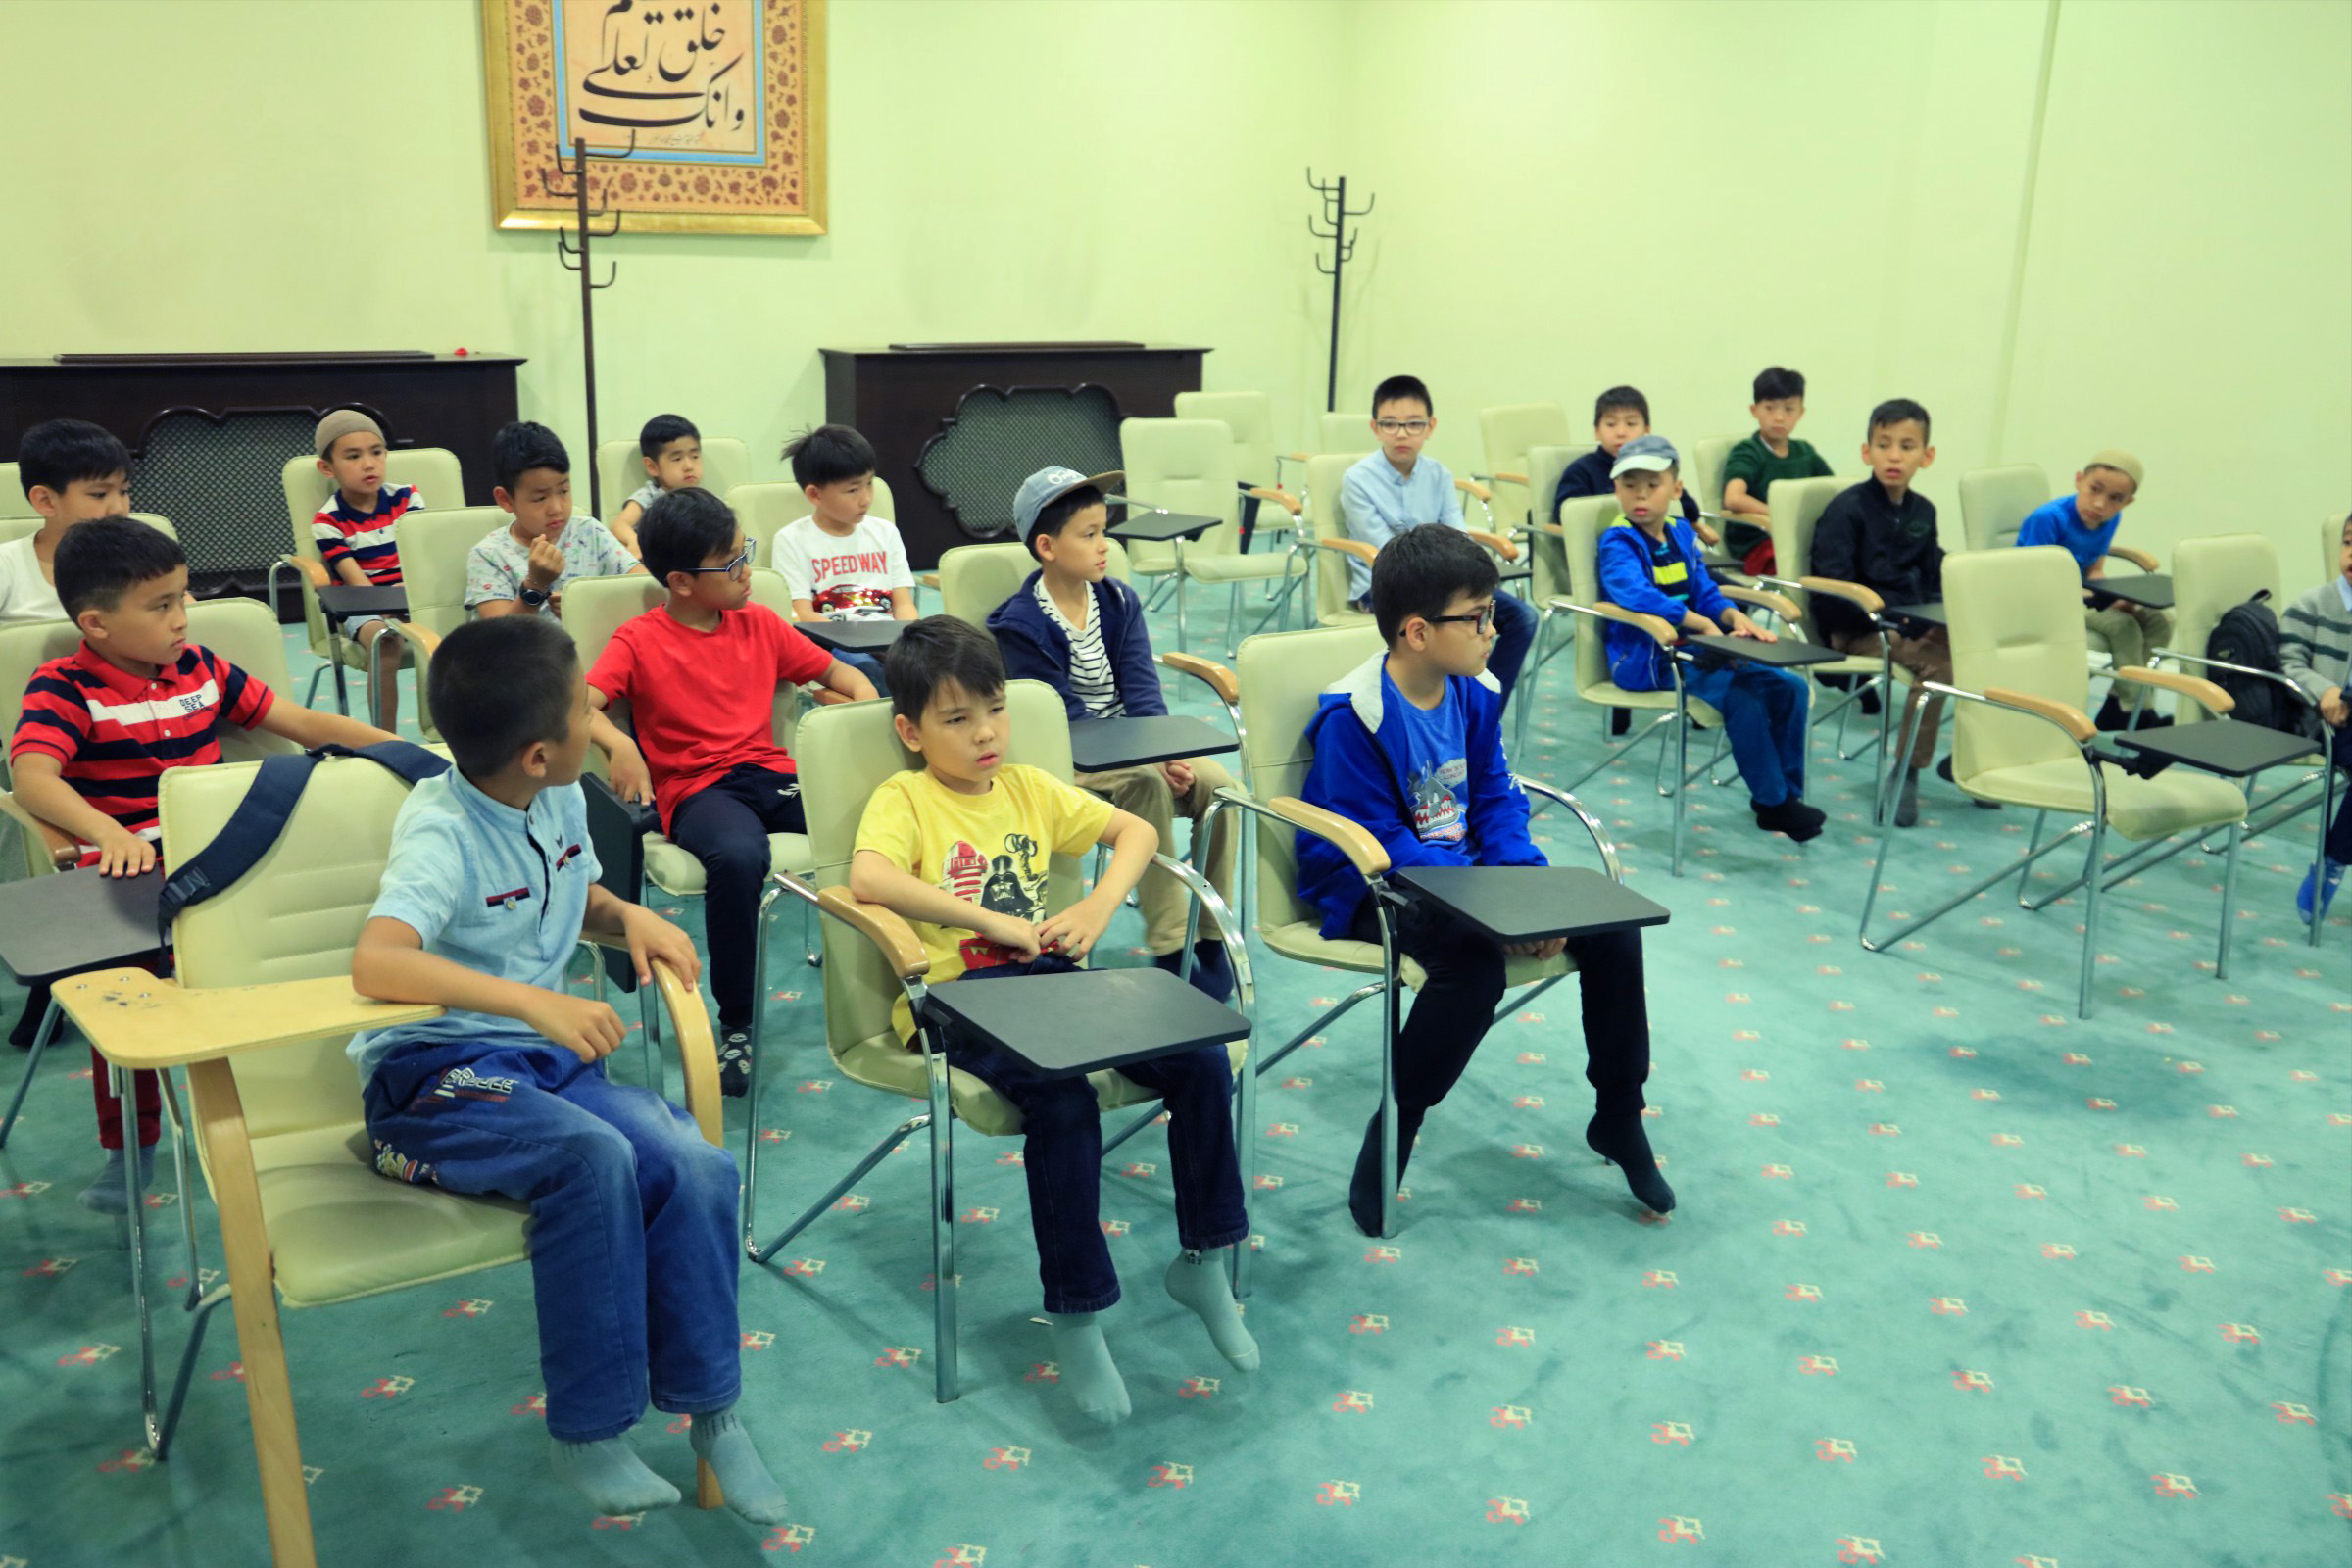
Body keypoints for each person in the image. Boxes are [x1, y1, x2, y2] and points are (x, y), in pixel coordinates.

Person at [348, 613, 786, 1525]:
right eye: (587, 711)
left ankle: (714, 1412)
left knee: (695, 1161)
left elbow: (569, 896)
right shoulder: (440, 827)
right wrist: (533, 1003)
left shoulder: (558, 798)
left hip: (540, 1067)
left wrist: (629, 917)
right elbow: (378, 961)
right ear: (539, 754)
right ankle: (588, 1431)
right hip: (433, 1079)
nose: (601, 720)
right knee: (594, 1161)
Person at [850, 616, 1256, 1427]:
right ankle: (1077, 1312)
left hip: (1046, 983)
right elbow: (868, 877)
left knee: (1199, 1057)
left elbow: (1137, 829)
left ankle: (1204, 1259)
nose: (985, 733)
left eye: (994, 710)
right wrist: (986, 921)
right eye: (958, 719)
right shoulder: (906, 797)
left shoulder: (1029, 786)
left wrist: (1101, 905)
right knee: (1063, 1099)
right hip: (956, 998)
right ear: (911, 732)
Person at [1294, 523, 1673, 1235]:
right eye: (1475, 618)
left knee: (1613, 927)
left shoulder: (1473, 690)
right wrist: (1496, 913)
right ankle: (1397, 1125)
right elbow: (1385, 844)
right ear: (1416, 632)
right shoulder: (1355, 717)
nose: (1493, 631)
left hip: (1468, 879)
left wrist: (1523, 889)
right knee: (1471, 969)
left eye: (1491, 612)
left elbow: (1497, 797)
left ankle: (1619, 1115)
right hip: (1374, 885)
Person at [9, 518, 396, 1211]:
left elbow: (304, 724)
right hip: (129, 879)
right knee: (124, 998)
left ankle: (328, 1105)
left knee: (337, 941)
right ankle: (131, 1145)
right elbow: (33, 777)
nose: (182, 618)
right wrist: (106, 832)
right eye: (161, 606)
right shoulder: (63, 687)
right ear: (95, 624)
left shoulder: (200, 668)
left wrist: (400, 750)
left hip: (225, 862)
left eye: (183, 597)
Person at [587, 487, 874, 1095]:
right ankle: (736, 1022)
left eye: (746, 553)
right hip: (698, 790)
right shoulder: (638, 640)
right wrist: (620, 744)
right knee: (740, 856)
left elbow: (842, 673)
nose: (747, 571)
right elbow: (576, 704)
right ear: (681, 582)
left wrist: (860, 706)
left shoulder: (760, 623)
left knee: (872, 819)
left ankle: (903, 983)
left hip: (768, 774)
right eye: (732, 563)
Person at [987, 466, 1238, 1000]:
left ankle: (1211, 933)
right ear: (1047, 547)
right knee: (1144, 787)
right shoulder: (1019, 625)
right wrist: (1149, 763)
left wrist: (1167, 752)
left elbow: (1143, 687)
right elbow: (1064, 719)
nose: (1105, 545)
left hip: (1135, 745)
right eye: (1089, 534)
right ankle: (1170, 943)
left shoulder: (1119, 601)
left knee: (1221, 785)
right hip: (1071, 757)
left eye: (1104, 530)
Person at [1595, 437, 1823, 841]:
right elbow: (1634, 594)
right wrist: (1700, 624)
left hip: (1700, 650)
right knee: (1743, 698)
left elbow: (1704, 589)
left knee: (1791, 687)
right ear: (1617, 489)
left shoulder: (1681, 533)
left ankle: (1786, 796)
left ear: (1676, 489)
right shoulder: (1619, 540)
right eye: (1629, 485)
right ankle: (1774, 802)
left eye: (1653, 484)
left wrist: (1734, 617)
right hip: (1652, 657)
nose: (1640, 495)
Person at [1807, 398, 1975, 828]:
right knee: (1942, 668)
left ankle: (1971, 760)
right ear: (1867, 452)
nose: (1894, 456)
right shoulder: (1846, 511)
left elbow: (1933, 576)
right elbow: (1834, 592)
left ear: (1926, 456)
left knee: (1985, 649)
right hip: (1857, 627)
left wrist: (1939, 615)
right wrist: (1902, 620)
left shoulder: (1923, 511)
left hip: (1912, 623)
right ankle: (1907, 771)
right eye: (1884, 445)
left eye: (1906, 446)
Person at [1339, 374, 1539, 703]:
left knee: (1522, 617)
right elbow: (1386, 553)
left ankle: (1485, 708)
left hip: (1448, 583)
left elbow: (1458, 535)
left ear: (1430, 427)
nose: (1402, 433)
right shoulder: (1357, 479)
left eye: (1414, 424)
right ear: (1375, 428)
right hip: (1386, 586)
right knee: (1450, 630)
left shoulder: (1439, 475)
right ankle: (1448, 705)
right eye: (1390, 424)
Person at [2015, 450, 2172, 729]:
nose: (2100, 503)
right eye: (2095, 489)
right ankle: (2136, 711)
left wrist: (2112, 598)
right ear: (2079, 481)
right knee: (2123, 626)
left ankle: (2117, 703)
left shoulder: (2109, 520)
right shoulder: (2049, 518)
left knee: (2161, 621)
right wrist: (2100, 601)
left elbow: (2095, 570)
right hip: (2044, 600)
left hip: (2083, 596)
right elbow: (2034, 579)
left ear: (2127, 502)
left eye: (2115, 498)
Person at [772, 423, 914, 695]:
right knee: (876, 676)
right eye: (853, 490)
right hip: (835, 646)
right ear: (815, 494)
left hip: (890, 643)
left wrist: (910, 641)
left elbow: (904, 604)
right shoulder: (791, 540)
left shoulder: (885, 533)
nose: (866, 499)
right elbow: (804, 615)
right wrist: (858, 640)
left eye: (869, 483)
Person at [309, 409, 423, 731]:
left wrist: (414, 597)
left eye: (376, 452)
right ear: (327, 468)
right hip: (366, 606)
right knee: (385, 641)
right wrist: (396, 605)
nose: (369, 464)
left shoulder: (408, 498)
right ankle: (384, 738)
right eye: (353, 456)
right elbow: (360, 586)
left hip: (414, 596)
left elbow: (420, 560)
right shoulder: (328, 522)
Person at [466, 421, 641, 619]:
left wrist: (587, 606)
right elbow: (498, 634)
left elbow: (644, 587)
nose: (556, 508)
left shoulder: (590, 532)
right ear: (505, 499)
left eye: (564, 491)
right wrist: (535, 584)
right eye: (540, 498)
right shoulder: (489, 555)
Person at [2283, 513, 2352, 924]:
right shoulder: (2312, 605)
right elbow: (2287, 663)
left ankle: (2335, 858)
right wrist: (2324, 689)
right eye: (2349, 542)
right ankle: (2334, 862)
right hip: (2326, 721)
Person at [1, 417, 133, 624]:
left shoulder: (143, 561)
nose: (118, 508)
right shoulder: (7, 566)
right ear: (46, 501)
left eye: (124, 491)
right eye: (99, 494)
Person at [1552, 385, 1706, 540]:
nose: (1621, 433)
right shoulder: (1581, 471)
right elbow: (1566, 517)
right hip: (1609, 546)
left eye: (1631, 424)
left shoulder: (1655, 467)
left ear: (1647, 430)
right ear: (1597, 431)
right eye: (1611, 424)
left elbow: (1689, 511)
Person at [1719, 366, 1837, 551]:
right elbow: (1733, 498)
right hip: (1758, 541)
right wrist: (1780, 516)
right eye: (1770, 408)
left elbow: (1833, 493)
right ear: (1754, 410)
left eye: (1789, 409)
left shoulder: (1805, 451)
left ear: (1801, 413)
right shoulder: (1748, 451)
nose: (1779, 417)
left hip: (1798, 537)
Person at [609, 413, 703, 560]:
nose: (689, 466)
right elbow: (619, 525)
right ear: (652, 467)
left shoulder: (707, 501)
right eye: (677, 459)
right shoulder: (649, 496)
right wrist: (635, 541)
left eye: (695, 456)